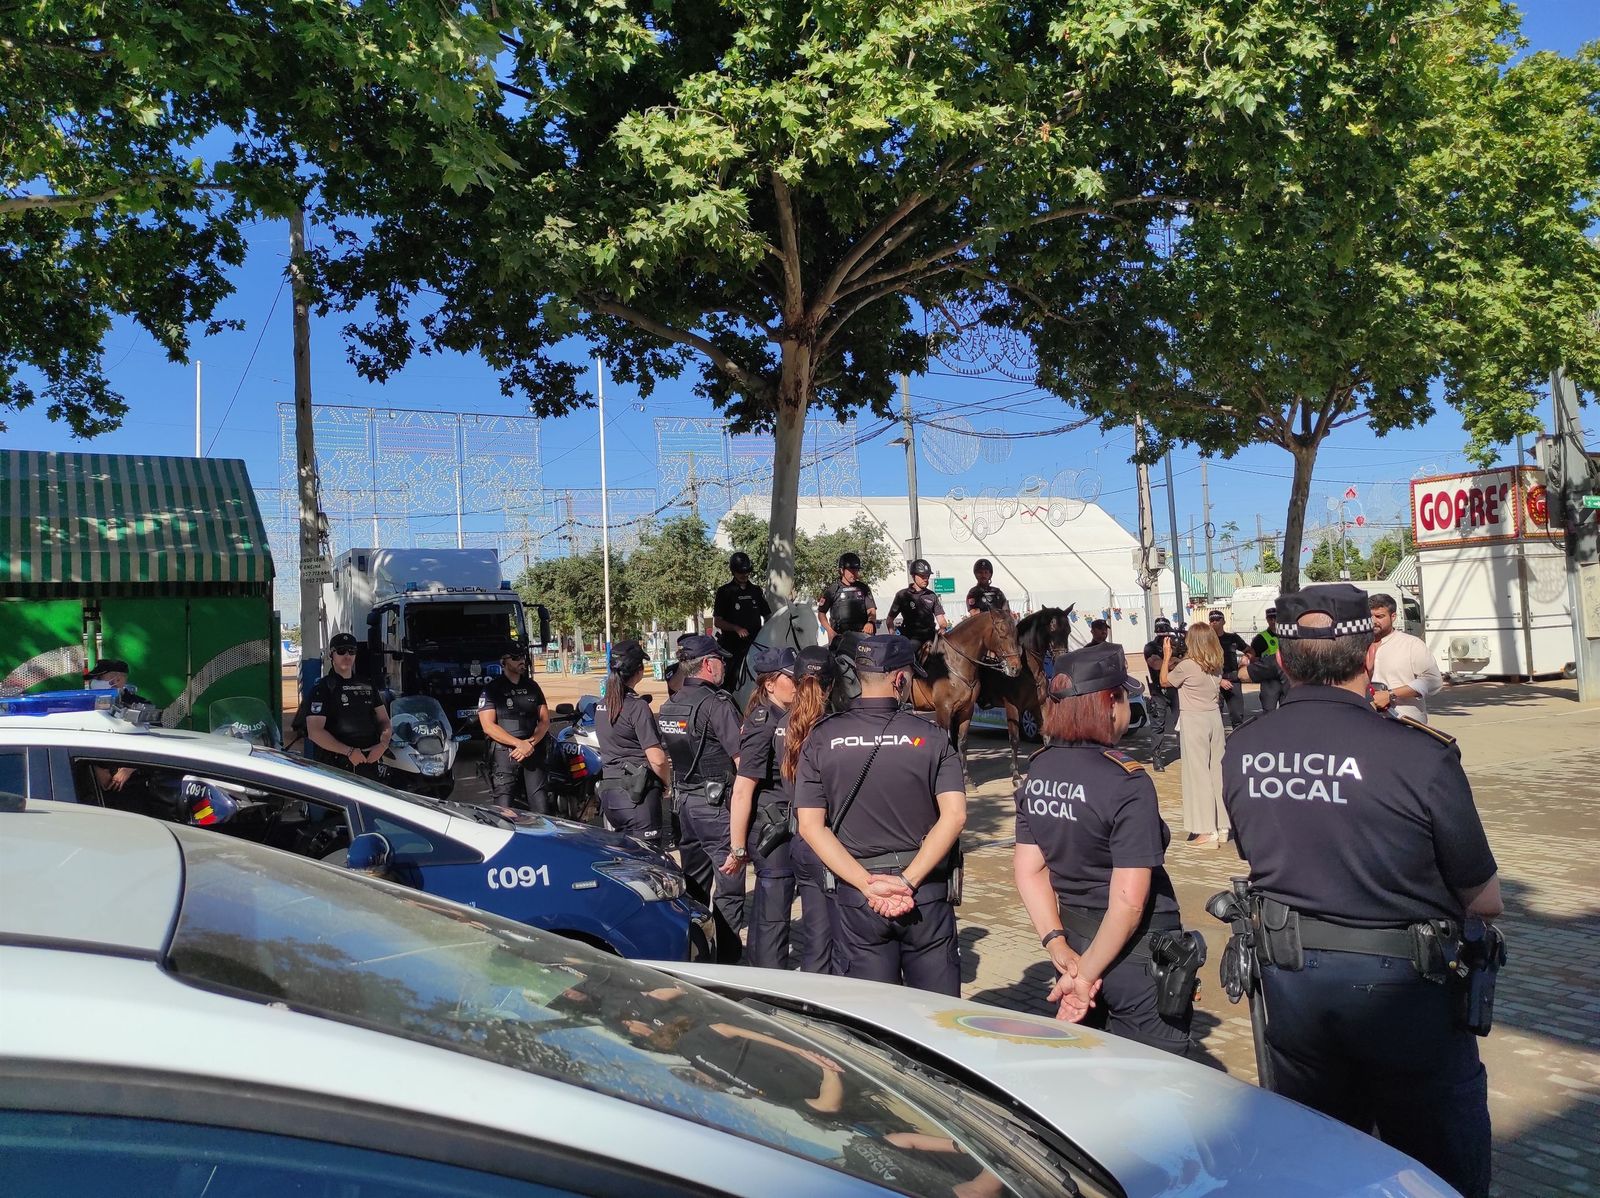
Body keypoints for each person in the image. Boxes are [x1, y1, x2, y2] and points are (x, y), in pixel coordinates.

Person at [1222, 584, 1502, 1198]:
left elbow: (1259, 852)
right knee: (1437, 1170)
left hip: (1294, 998)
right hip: (1408, 1003)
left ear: (1287, 661)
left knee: (1318, 1165)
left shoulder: (1242, 748)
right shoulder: (1418, 755)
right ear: (1369, 655)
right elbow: (1484, 898)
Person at [1013, 643, 1196, 1056]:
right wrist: (1086, 975)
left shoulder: (1039, 768)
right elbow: (1129, 903)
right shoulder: (1127, 782)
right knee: (1153, 1082)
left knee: (1092, 1073)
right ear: (1111, 702)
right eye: (1125, 696)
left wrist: (1057, 945)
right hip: (1137, 954)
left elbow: (1029, 870)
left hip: (1075, 939)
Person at [795, 635, 966, 995]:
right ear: (900, 680)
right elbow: (954, 817)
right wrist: (907, 881)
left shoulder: (822, 738)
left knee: (873, 1020)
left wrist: (865, 883)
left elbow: (810, 826)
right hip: (925, 893)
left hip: (859, 898)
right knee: (937, 1016)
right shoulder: (932, 737)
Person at [657, 633, 745, 961]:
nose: (724, 664)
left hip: (683, 807)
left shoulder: (670, 704)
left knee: (694, 886)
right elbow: (742, 762)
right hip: (715, 807)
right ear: (708, 664)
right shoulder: (716, 703)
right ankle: (730, 963)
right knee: (730, 888)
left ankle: (695, 953)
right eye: (719, 659)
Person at [720, 646, 799, 969]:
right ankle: (768, 983)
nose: (798, 684)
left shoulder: (782, 716)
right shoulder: (764, 721)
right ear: (769, 684)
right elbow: (742, 789)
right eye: (791, 678)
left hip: (782, 825)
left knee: (774, 911)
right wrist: (737, 849)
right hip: (770, 829)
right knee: (772, 915)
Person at [782, 646, 844, 973]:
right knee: (844, 941)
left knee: (816, 938)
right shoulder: (838, 731)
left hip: (801, 843)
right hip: (831, 841)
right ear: (832, 684)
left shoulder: (782, 724)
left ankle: (810, 1008)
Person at [595, 640, 671, 851]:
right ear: (639, 670)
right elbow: (657, 758)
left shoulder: (602, 706)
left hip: (610, 796)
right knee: (647, 859)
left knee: (624, 860)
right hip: (636, 798)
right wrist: (667, 783)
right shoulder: (637, 707)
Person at [1161, 622, 1228, 846]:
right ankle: (1223, 824)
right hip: (1214, 719)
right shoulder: (1216, 663)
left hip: (1194, 720)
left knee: (1197, 774)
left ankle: (1206, 830)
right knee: (1217, 772)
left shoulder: (1187, 666)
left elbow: (1164, 681)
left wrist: (1166, 656)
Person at [306, 632, 391, 780]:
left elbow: (384, 720)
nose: (347, 656)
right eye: (341, 651)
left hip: (369, 762)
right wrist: (349, 752)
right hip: (335, 766)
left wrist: (383, 745)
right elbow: (314, 732)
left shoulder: (367, 685)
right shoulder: (322, 688)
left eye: (351, 651)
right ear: (331, 655)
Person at [478, 643, 551, 812]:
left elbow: (544, 720)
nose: (522, 661)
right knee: (504, 809)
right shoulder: (492, 689)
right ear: (503, 662)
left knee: (541, 807)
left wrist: (530, 744)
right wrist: (519, 744)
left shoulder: (532, 687)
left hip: (532, 751)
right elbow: (488, 726)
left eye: (523, 657)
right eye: (516, 658)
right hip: (505, 754)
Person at [1368, 592, 1443, 723]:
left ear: (1393, 616)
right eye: (1370, 616)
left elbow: (1433, 681)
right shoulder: (1358, 645)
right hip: (1369, 722)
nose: (1374, 621)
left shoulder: (1411, 644)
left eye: (1380, 616)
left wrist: (1390, 694)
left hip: (1406, 723)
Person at [713, 551, 772, 683]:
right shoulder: (724, 592)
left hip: (756, 643)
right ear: (733, 571)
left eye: (747, 572)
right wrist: (736, 628)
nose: (744, 575)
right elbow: (718, 621)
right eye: (741, 572)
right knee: (726, 675)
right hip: (733, 645)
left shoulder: (756, 591)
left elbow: (768, 615)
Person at [1140, 619, 1183, 771]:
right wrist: (1171, 658)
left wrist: (1175, 656)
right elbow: (1156, 665)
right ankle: (1157, 757)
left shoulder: (1175, 643)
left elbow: (1186, 661)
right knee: (1158, 726)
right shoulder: (1150, 647)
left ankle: (1183, 751)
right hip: (1159, 692)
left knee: (1182, 723)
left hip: (1176, 689)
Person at [884, 559, 948, 655]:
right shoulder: (902, 595)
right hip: (913, 637)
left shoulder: (932, 595)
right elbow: (889, 619)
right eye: (922, 576)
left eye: (927, 576)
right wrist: (892, 635)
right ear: (914, 576)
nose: (926, 579)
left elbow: (941, 619)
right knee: (907, 655)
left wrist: (943, 628)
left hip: (931, 635)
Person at [817, 552, 876, 646]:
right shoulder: (832, 589)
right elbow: (821, 613)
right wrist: (830, 632)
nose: (854, 573)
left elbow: (871, 610)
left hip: (862, 637)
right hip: (840, 639)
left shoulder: (863, 588)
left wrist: (870, 622)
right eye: (850, 570)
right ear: (841, 570)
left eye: (856, 570)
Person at [1208, 610, 1251, 729]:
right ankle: (1218, 744)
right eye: (1212, 620)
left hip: (1233, 678)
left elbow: (1249, 650)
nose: (1214, 622)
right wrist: (1219, 680)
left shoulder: (1232, 638)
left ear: (1224, 621)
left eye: (1217, 620)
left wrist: (1246, 657)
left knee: (1237, 716)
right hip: (1214, 679)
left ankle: (1238, 743)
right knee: (1215, 717)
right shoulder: (1206, 641)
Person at [1247, 606, 1286, 712]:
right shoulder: (1260, 638)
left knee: (1288, 710)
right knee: (1269, 711)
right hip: (1269, 679)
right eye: (1270, 619)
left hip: (1286, 677)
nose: (1273, 621)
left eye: (1275, 618)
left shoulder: (1287, 635)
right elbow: (1253, 658)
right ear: (1267, 619)